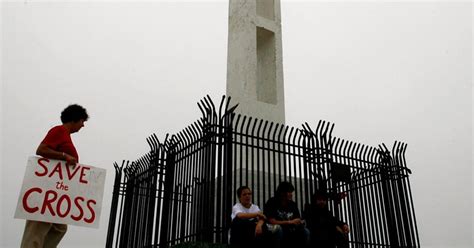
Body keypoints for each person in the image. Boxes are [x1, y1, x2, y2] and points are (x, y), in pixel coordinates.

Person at [20, 104, 89, 248]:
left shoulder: (65, 135)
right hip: (45, 191)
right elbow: (41, 149)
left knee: (60, 227)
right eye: (82, 121)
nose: (83, 125)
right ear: (75, 119)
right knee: (37, 228)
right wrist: (64, 156)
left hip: (55, 192)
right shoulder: (59, 130)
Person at [263, 181, 310, 248]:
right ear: (282, 192)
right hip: (275, 229)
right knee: (278, 229)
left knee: (306, 231)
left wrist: (299, 221)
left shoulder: (292, 204)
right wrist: (289, 222)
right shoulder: (272, 202)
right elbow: (271, 221)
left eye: (291, 192)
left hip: (291, 229)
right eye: (289, 192)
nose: (291, 194)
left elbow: (297, 218)